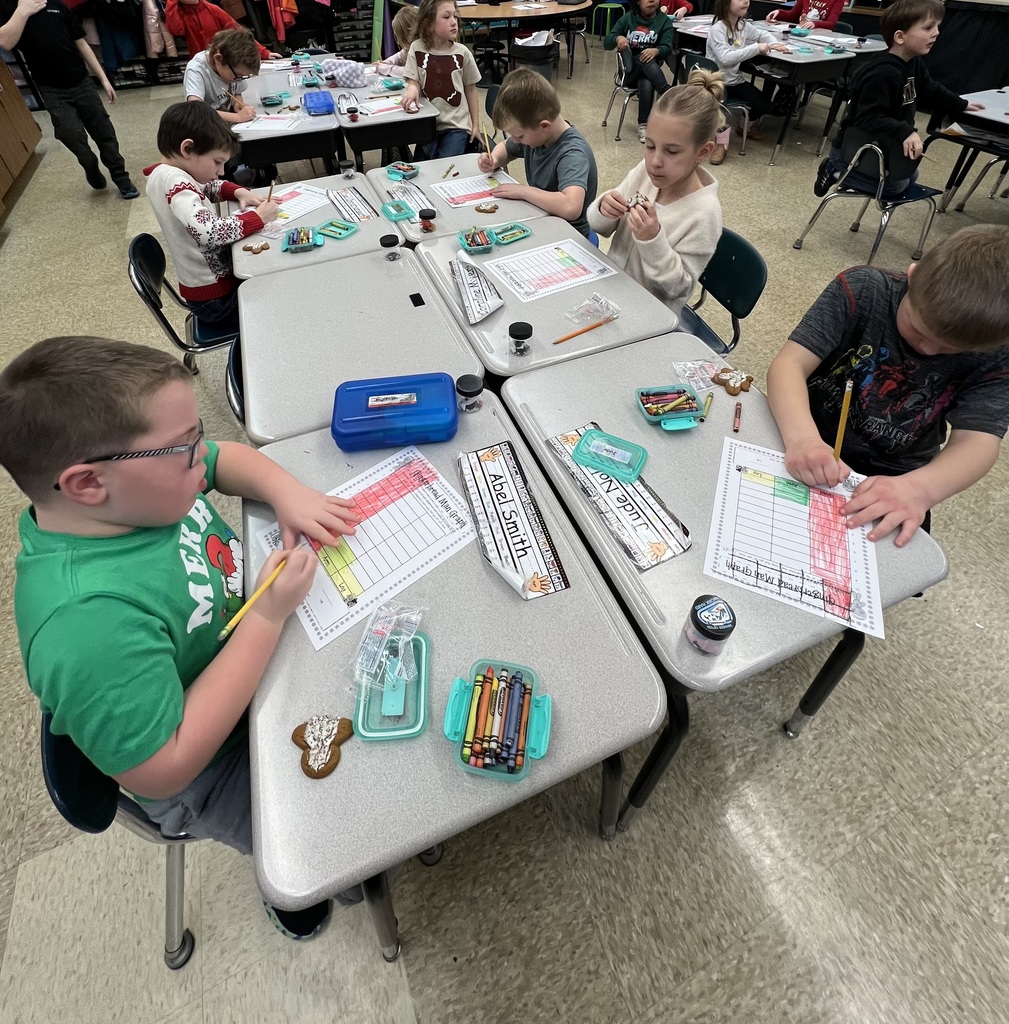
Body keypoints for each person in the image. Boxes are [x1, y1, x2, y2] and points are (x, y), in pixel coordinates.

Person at [0, 335, 364, 938]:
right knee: (319, 841)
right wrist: (265, 618)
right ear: (87, 484)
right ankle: (297, 885)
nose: (202, 457)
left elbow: (222, 458)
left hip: (242, 655)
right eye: (185, 447)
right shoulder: (86, 627)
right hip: (209, 766)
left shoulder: (137, 495)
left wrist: (288, 493)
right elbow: (165, 767)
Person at [766, 224, 1009, 547]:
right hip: (802, 427)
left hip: (898, 477)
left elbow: (978, 442)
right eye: (917, 328)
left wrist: (921, 489)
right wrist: (802, 439)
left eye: (951, 349)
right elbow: (789, 365)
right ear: (913, 276)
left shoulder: (998, 355)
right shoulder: (864, 289)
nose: (928, 350)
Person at [587, 68, 723, 322]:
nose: (655, 161)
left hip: (650, 318)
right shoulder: (645, 173)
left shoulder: (704, 213)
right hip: (610, 293)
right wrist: (604, 208)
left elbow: (677, 289)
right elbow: (598, 226)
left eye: (672, 152)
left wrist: (651, 240)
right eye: (650, 146)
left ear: (703, 152)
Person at [815, 0, 984, 198]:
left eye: (937, 26)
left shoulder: (913, 62)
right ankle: (832, 169)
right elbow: (868, 118)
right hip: (854, 149)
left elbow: (930, 88)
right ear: (900, 37)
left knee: (910, 177)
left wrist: (961, 104)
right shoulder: (883, 73)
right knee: (895, 187)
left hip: (885, 143)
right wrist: (906, 132)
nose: (936, 33)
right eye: (928, 27)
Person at [145, 101, 278, 333]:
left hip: (207, 294)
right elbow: (209, 232)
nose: (221, 171)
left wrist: (236, 191)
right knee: (282, 295)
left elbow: (204, 187)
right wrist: (257, 218)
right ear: (187, 149)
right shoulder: (175, 182)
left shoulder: (167, 173)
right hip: (216, 302)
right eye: (217, 162)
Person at [0, 0, 139, 198]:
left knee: (104, 132)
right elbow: (5, 42)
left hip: (81, 82)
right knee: (70, 134)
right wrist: (23, 11)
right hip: (52, 90)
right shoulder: (10, 8)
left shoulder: (57, 5)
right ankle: (89, 165)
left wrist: (103, 79)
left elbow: (80, 42)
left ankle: (120, 176)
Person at [477, 68, 598, 238]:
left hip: (567, 235)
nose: (516, 140)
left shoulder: (572, 154)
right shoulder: (537, 136)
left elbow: (571, 207)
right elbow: (506, 148)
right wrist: (494, 159)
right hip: (541, 219)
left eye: (519, 136)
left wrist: (523, 191)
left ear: (544, 126)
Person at [705, 0, 790, 162]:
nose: (746, 1)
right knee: (722, 110)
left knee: (764, 105)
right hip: (716, 81)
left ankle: (745, 127)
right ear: (725, 4)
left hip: (734, 80)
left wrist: (774, 43)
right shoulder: (717, 29)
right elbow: (725, 58)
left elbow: (761, 34)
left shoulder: (743, 26)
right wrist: (757, 48)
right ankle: (721, 143)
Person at [401, 0, 480, 160]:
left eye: (455, 16)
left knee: (445, 167)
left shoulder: (463, 53)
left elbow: (471, 90)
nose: (454, 22)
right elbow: (413, 81)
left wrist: (475, 126)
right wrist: (412, 89)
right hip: (427, 126)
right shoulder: (416, 48)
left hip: (456, 127)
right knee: (420, 168)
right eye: (446, 17)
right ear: (429, 24)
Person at [604, 0, 675, 145]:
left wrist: (656, 51)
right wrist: (618, 38)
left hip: (650, 75)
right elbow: (607, 43)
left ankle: (643, 125)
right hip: (628, 73)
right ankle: (667, 93)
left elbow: (667, 48)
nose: (652, 0)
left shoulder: (664, 22)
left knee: (646, 82)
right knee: (644, 59)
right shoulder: (628, 18)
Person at [183, 26, 261, 125]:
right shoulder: (196, 70)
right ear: (219, 59)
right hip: (205, 127)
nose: (239, 79)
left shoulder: (234, 69)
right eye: (238, 75)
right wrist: (237, 117)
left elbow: (237, 92)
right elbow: (196, 110)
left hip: (225, 124)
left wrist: (238, 103)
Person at [165, 0, 279, 64]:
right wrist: (171, 3)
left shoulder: (212, 9)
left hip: (222, 62)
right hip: (200, 64)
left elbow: (238, 32)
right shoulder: (179, 13)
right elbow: (176, 30)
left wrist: (263, 53)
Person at [377, 3, 418, 73]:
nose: (398, 42)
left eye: (400, 37)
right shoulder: (409, 48)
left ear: (408, 35)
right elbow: (399, 57)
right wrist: (384, 63)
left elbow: (411, 72)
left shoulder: (423, 50)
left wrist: (386, 68)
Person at [765, 0, 842, 30]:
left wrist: (815, 24)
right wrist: (778, 13)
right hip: (800, 34)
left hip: (818, 37)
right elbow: (792, 15)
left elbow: (831, 23)